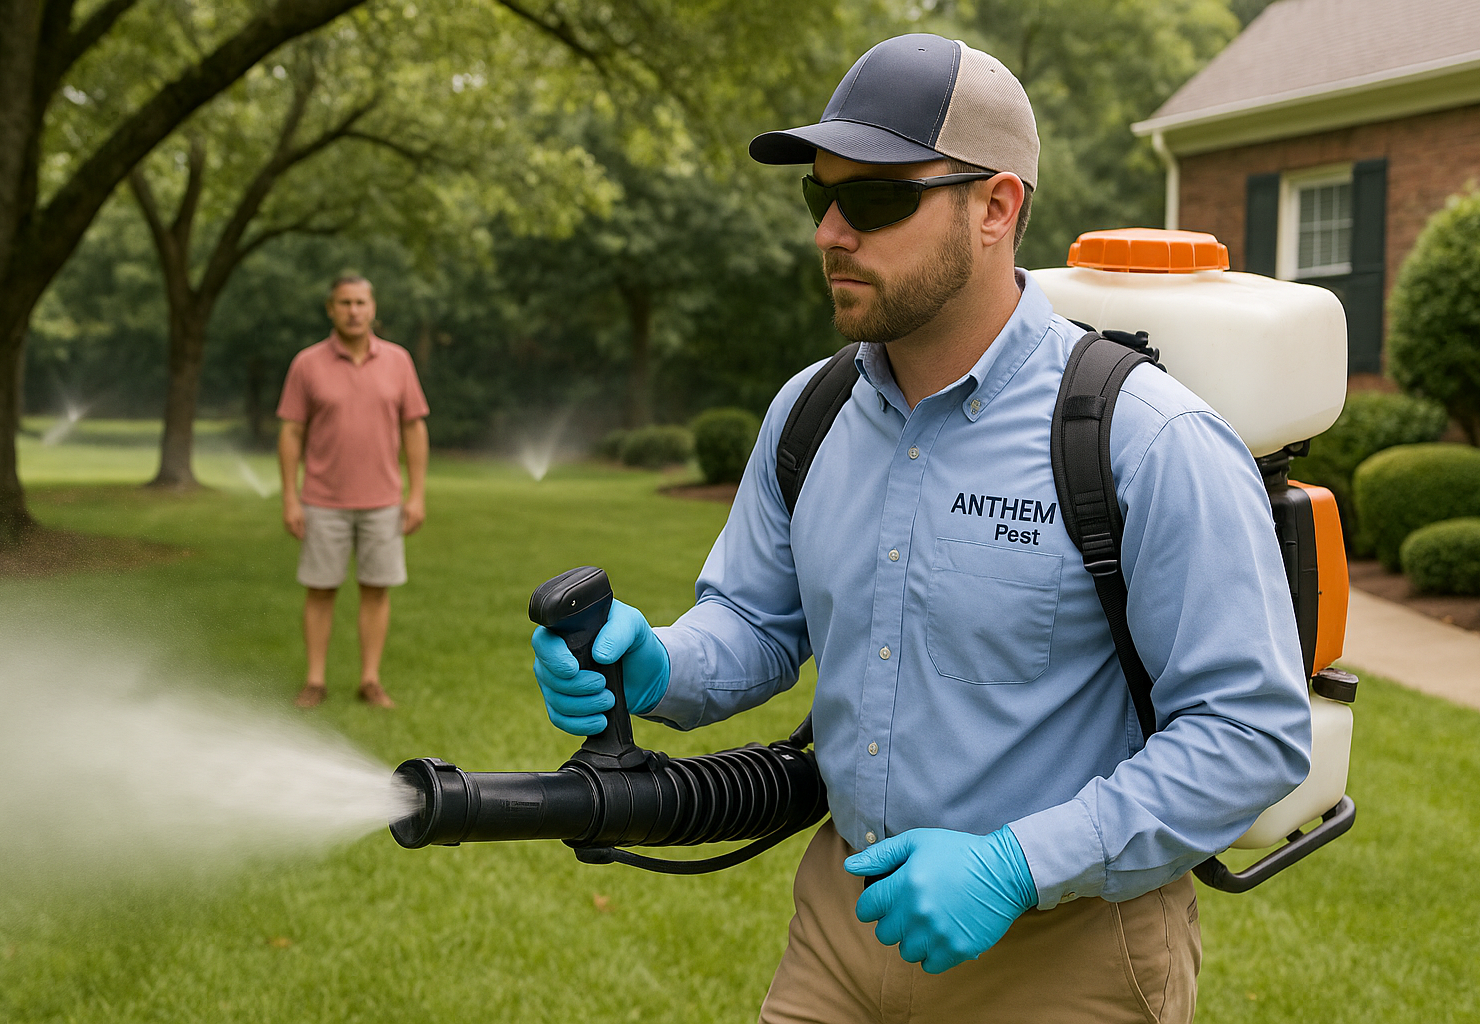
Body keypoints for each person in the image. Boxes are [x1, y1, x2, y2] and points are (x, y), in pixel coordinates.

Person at [531, 34, 1311, 1024]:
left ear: (997, 207)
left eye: (878, 200)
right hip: (842, 930)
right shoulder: (808, 414)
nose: (832, 233)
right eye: (821, 198)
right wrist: (657, 661)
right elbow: (759, 623)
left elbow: (1253, 732)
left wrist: (1013, 866)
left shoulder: (1147, 440)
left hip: (1065, 953)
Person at [278, 275, 429, 710]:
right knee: (320, 589)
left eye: (360, 302)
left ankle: (369, 680)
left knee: (376, 589)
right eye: (344, 303)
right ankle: (315, 681)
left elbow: (414, 427)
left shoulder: (398, 361)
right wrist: (290, 496)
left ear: (372, 307)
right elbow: (291, 431)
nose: (353, 310)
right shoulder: (306, 364)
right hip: (322, 501)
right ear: (330, 308)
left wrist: (416, 494)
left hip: (384, 501)